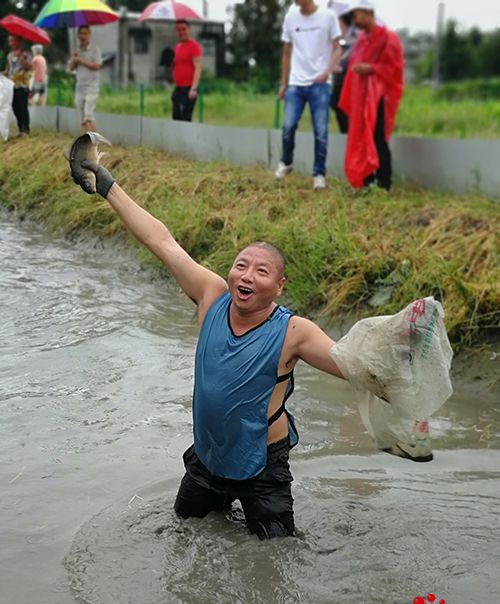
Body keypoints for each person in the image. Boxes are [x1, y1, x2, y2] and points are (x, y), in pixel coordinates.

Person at [70, 157, 347, 540]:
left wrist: (405, 353)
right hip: (209, 457)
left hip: (263, 466)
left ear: (279, 286)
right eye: (241, 265)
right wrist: (108, 187)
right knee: (183, 529)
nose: (247, 275)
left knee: (277, 549)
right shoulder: (212, 295)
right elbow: (161, 242)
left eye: (261, 271)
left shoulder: (295, 331)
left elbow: (351, 364)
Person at [275, 0, 342, 191]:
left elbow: (337, 48)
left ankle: (319, 174)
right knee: (288, 125)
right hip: (296, 82)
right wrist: (283, 83)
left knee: (320, 131)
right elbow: (286, 52)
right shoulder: (291, 16)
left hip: (319, 84)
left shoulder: (328, 16)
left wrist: (327, 72)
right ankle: (286, 162)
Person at [338, 1, 403, 191]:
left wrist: (372, 68)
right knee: (360, 136)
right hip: (361, 99)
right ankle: (366, 180)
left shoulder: (388, 38)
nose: (354, 20)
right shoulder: (360, 40)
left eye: (356, 15)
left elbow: (395, 68)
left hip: (380, 98)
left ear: (368, 13)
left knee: (378, 137)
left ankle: (384, 183)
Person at [68, 25, 102, 133]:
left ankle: (95, 141)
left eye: (85, 33)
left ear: (89, 35)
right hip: (80, 87)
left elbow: (96, 66)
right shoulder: (77, 51)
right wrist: (74, 59)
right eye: (81, 33)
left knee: (88, 114)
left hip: (92, 87)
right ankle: (84, 141)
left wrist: (81, 60)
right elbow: (71, 68)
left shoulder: (95, 49)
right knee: (82, 117)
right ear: (78, 35)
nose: (83, 36)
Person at [329, 11, 358, 133]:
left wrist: (339, 67)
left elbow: (349, 65)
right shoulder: (336, 44)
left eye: (340, 26)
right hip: (337, 88)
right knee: (342, 124)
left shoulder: (353, 43)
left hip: (349, 88)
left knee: (350, 124)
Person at [171, 19, 202, 122]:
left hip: (188, 88)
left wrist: (193, 88)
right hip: (178, 87)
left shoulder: (194, 46)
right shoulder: (177, 47)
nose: (181, 32)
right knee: (176, 116)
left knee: (186, 118)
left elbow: (197, 67)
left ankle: (187, 138)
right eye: (178, 30)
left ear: (189, 30)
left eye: (184, 29)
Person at [5, 35, 32, 136]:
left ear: (18, 41)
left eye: (12, 41)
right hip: (12, 86)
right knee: (15, 107)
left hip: (22, 85)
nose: (11, 43)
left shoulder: (25, 54)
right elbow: (8, 70)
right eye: (10, 41)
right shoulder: (10, 55)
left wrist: (24, 61)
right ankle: (20, 128)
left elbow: (29, 67)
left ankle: (25, 129)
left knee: (22, 108)